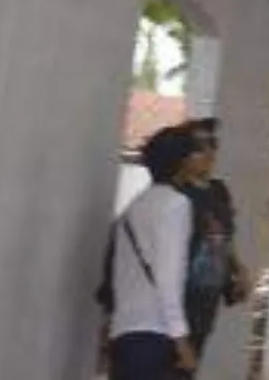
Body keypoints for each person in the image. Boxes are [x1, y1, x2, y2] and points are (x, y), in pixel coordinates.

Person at [105, 125, 203, 380]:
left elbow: (119, 275)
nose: (201, 158)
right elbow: (168, 278)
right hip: (154, 334)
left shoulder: (134, 206)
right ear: (182, 162)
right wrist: (181, 338)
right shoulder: (176, 206)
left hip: (123, 332)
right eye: (195, 153)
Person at [180, 117, 250, 364]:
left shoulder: (219, 191)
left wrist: (239, 269)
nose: (209, 152)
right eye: (200, 147)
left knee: (191, 363)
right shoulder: (176, 193)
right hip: (178, 300)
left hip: (207, 298)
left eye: (213, 144)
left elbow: (226, 237)